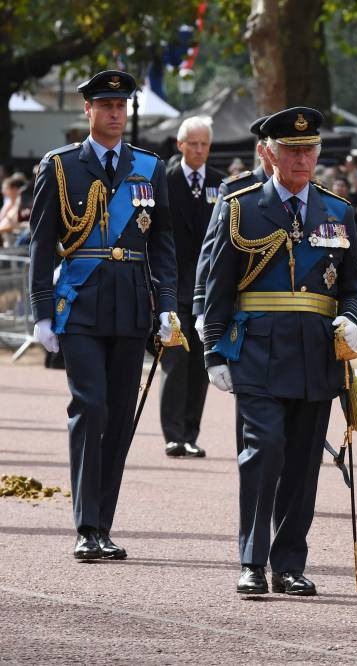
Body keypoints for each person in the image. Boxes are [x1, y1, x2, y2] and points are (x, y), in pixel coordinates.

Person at [202, 107, 357, 596]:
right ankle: (252, 560)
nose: (301, 159)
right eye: (291, 151)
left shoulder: (337, 211)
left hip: (317, 355)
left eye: (309, 150)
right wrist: (213, 350)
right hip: (257, 349)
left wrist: (352, 319)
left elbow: (354, 286)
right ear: (267, 153)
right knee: (265, 450)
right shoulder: (240, 207)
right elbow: (217, 286)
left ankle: (289, 561)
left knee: (301, 460)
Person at [28, 70, 179, 560]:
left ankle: (103, 525)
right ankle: (85, 524)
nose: (116, 113)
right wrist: (42, 311)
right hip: (82, 305)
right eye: (106, 105)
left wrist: (168, 306)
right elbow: (40, 244)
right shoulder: (60, 166)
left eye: (122, 105)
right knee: (89, 408)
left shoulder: (150, 168)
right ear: (88, 110)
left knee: (119, 418)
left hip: (132, 305)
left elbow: (163, 243)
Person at [192, 115, 272, 455]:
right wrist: (201, 307)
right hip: (245, 314)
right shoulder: (236, 189)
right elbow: (211, 253)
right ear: (263, 151)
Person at [160, 116, 224, 458]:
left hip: (206, 289)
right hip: (172, 284)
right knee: (175, 363)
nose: (199, 150)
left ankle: (190, 433)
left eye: (204, 144)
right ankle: (173, 434)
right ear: (180, 145)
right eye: (193, 144)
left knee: (200, 366)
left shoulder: (220, 184)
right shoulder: (166, 181)